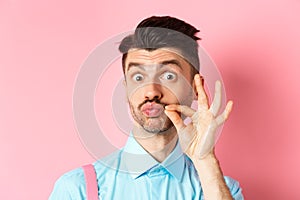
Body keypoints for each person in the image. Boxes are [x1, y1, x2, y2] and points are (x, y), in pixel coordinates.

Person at [49, 16, 244, 200]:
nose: (151, 92)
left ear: (195, 88)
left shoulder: (219, 188)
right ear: (126, 90)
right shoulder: (77, 189)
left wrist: (205, 160)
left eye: (168, 76)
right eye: (138, 77)